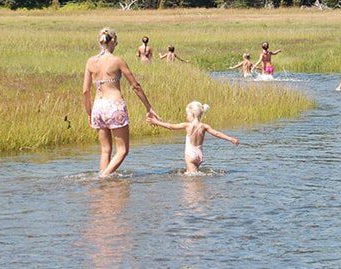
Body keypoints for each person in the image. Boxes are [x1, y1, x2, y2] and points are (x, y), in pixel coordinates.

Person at [83, 27, 158, 177]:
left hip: (98, 106)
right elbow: (135, 85)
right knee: (123, 150)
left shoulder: (91, 62)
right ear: (113, 42)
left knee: (105, 150)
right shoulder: (117, 61)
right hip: (114, 106)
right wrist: (149, 107)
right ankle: (103, 177)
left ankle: (106, 186)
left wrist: (89, 112)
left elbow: (85, 91)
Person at [147, 101, 239, 174]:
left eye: (187, 114)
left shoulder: (188, 126)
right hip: (200, 156)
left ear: (192, 114)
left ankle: (196, 197)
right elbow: (217, 134)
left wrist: (157, 122)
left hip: (191, 156)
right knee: (196, 177)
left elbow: (171, 127)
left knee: (192, 182)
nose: (187, 116)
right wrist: (231, 139)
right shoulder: (204, 126)